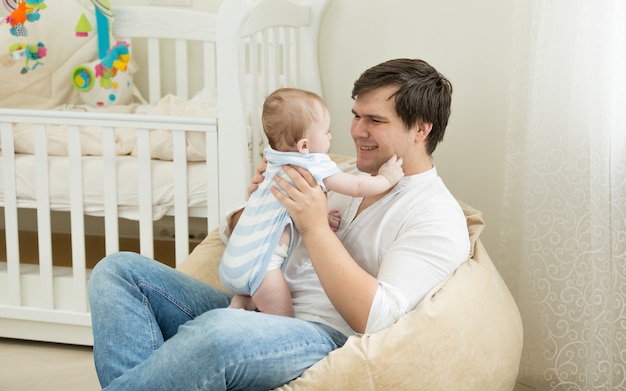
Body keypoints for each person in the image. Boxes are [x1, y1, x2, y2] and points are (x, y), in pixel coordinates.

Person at [88, 58, 471, 391]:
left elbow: (377, 318)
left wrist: (315, 227)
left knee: (219, 332)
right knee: (117, 271)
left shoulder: (434, 214)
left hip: (322, 336)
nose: (356, 130)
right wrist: (258, 206)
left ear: (422, 129)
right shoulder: (339, 173)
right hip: (258, 306)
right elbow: (231, 234)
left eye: (374, 120)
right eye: (355, 115)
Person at [220, 87, 404, 317]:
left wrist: (320, 222)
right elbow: (357, 187)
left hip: (237, 264)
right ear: (304, 146)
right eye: (327, 131)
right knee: (281, 321)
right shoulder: (316, 164)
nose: (332, 136)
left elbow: (287, 213)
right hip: (265, 272)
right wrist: (387, 177)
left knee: (222, 322)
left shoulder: (274, 158)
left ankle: (239, 306)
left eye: (375, 120)